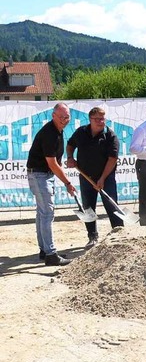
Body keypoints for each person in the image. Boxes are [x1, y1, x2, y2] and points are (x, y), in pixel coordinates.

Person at [26, 102, 76, 266]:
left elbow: (56, 163)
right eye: (61, 117)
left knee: (42, 213)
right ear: (53, 116)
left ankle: (45, 250)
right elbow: (52, 164)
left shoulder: (58, 131)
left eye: (67, 117)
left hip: (43, 174)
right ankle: (51, 254)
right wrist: (67, 183)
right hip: (40, 175)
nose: (64, 120)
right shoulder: (50, 133)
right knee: (47, 213)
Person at [66, 107, 120, 248]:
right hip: (86, 177)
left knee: (112, 206)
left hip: (106, 178)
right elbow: (70, 145)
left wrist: (102, 178)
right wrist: (70, 157)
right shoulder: (81, 132)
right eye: (97, 119)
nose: (100, 121)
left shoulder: (110, 136)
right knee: (88, 208)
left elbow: (112, 159)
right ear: (90, 119)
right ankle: (92, 236)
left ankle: (119, 234)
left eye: (102, 118)